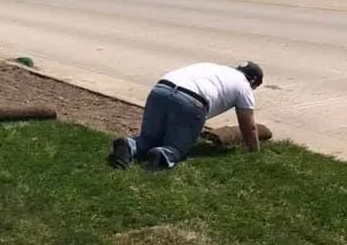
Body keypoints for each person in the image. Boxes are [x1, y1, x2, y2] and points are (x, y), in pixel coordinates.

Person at [109, 61, 264, 171]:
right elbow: (248, 126)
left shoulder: (211, 66)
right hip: (191, 101)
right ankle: (161, 155)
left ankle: (129, 145)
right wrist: (254, 151)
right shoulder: (244, 87)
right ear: (254, 83)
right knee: (176, 147)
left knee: (149, 138)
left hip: (160, 90)